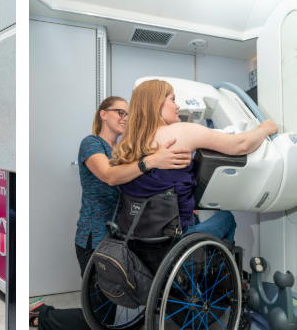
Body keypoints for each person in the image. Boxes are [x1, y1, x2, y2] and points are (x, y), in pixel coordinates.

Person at [32, 96, 192, 330]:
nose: (125, 118)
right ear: (102, 114)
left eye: (128, 114)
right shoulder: (91, 144)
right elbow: (109, 175)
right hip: (94, 239)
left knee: (123, 302)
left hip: (122, 240)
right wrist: (150, 161)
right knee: (102, 320)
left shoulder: (126, 151)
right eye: (119, 112)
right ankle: (42, 316)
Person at [112, 79, 278, 246]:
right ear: (156, 104)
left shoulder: (129, 144)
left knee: (194, 214)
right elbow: (240, 145)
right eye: (173, 99)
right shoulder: (180, 132)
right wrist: (264, 129)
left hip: (139, 241)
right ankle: (213, 268)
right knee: (226, 217)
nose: (177, 106)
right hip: (175, 242)